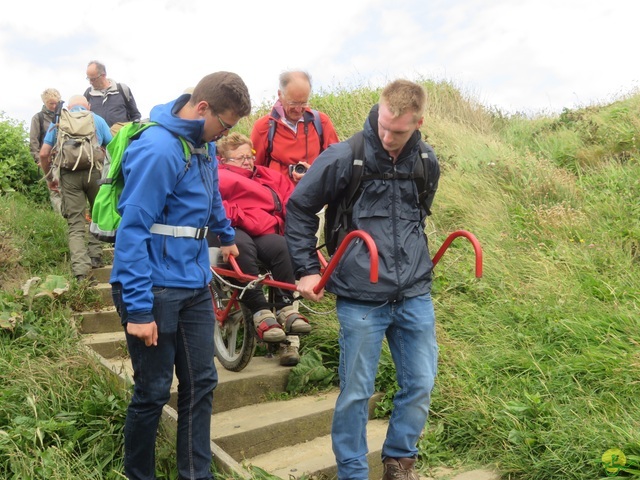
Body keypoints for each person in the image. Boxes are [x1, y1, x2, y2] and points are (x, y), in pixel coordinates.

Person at [285, 79, 441, 480]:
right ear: (379, 107)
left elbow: (419, 215)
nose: (388, 136)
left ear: (419, 122)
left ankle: (399, 461)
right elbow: (300, 208)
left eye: (400, 131)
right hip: (359, 296)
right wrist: (306, 269)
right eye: (384, 125)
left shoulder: (425, 160)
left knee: (421, 382)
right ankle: (353, 472)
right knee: (356, 391)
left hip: (413, 293)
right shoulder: (344, 156)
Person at [109, 71, 251, 480]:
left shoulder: (201, 144)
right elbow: (132, 231)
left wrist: (225, 234)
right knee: (153, 392)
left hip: (192, 282)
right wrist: (137, 310)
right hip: (152, 287)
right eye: (224, 125)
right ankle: (139, 474)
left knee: (202, 384)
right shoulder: (159, 149)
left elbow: (211, 195)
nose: (225, 134)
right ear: (202, 107)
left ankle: (196, 475)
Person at [211, 132, 311, 366]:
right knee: (242, 247)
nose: (247, 161)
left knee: (281, 246)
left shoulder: (266, 176)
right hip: (231, 226)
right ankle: (259, 310)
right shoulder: (218, 176)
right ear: (225, 160)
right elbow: (214, 204)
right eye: (241, 157)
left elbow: (290, 199)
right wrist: (241, 215)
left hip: (265, 228)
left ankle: (286, 307)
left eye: (250, 155)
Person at [39, 95, 112, 282]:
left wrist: (50, 178)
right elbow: (112, 148)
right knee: (97, 215)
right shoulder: (97, 119)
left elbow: (44, 153)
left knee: (76, 224)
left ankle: (82, 273)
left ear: (68, 107)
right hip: (95, 173)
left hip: (69, 175)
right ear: (88, 106)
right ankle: (96, 256)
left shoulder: (59, 120)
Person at [250, 70, 339, 185]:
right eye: (293, 103)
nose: (298, 109)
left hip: (314, 196)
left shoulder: (321, 122)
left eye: (303, 103)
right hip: (278, 198)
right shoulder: (264, 127)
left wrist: (314, 173)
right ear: (280, 94)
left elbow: (337, 163)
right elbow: (253, 170)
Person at [30, 87, 63, 214]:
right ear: (44, 102)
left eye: (56, 103)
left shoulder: (63, 117)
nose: (54, 106)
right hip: (47, 160)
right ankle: (60, 220)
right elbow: (33, 141)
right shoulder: (38, 118)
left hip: (64, 159)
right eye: (51, 103)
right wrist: (38, 160)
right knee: (55, 191)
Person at [84, 60, 141, 127]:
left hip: (121, 136)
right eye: (88, 78)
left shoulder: (122, 89)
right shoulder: (88, 94)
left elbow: (135, 115)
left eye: (93, 79)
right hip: (98, 137)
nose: (90, 82)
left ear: (103, 75)